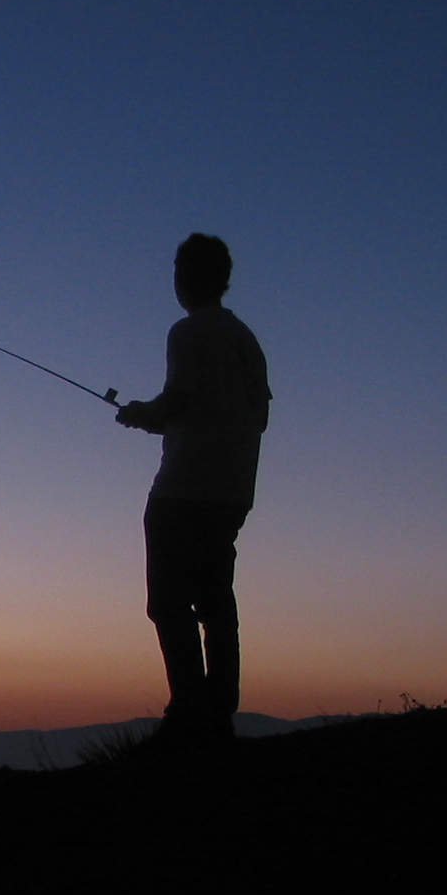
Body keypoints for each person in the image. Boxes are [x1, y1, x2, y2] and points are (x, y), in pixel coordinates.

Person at [114, 234, 272, 747]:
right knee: (215, 604)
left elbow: (178, 403)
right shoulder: (246, 340)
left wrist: (142, 415)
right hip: (232, 491)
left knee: (168, 604)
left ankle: (188, 715)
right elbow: (250, 415)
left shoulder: (187, 333)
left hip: (182, 489)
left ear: (185, 277)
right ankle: (218, 716)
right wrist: (158, 420)